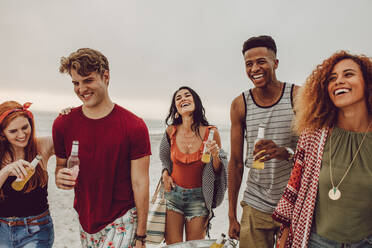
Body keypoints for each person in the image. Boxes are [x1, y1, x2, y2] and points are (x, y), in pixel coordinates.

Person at [53, 48, 151, 248]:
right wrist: (59, 177)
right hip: (86, 221)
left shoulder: (134, 126)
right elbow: (60, 166)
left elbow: (140, 183)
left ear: (105, 77)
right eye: (76, 83)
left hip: (123, 219)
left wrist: (141, 235)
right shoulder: (63, 124)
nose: (81, 89)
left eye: (87, 80)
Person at [273, 51, 372, 248]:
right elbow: (295, 188)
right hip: (317, 242)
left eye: (348, 74)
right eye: (332, 78)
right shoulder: (313, 136)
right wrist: (284, 239)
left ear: (367, 83)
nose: (339, 81)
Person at [228, 35, 299, 248]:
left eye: (261, 61)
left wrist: (284, 152)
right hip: (255, 202)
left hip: (293, 201)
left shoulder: (297, 96)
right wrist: (231, 214)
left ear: (275, 63)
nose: (254, 68)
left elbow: (313, 154)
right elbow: (236, 163)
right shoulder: (240, 104)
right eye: (249, 64)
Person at [159, 86, 228, 245]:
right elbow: (164, 159)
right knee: (173, 246)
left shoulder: (211, 132)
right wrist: (165, 174)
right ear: (176, 107)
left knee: (195, 246)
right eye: (178, 98)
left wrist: (216, 154)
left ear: (195, 101)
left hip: (199, 199)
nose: (183, 99)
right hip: (173, 196)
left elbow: (218, 171)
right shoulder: (171, 131)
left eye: (187, 95)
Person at [0, 101, 54, 247]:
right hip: (2, 230)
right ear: (2, 133)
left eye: (25, 127)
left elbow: (72, 138)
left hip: (36, 229)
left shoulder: (41, 145)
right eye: (13, 131)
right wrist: (6, 170)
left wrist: (68, 117)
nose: (22, 135)